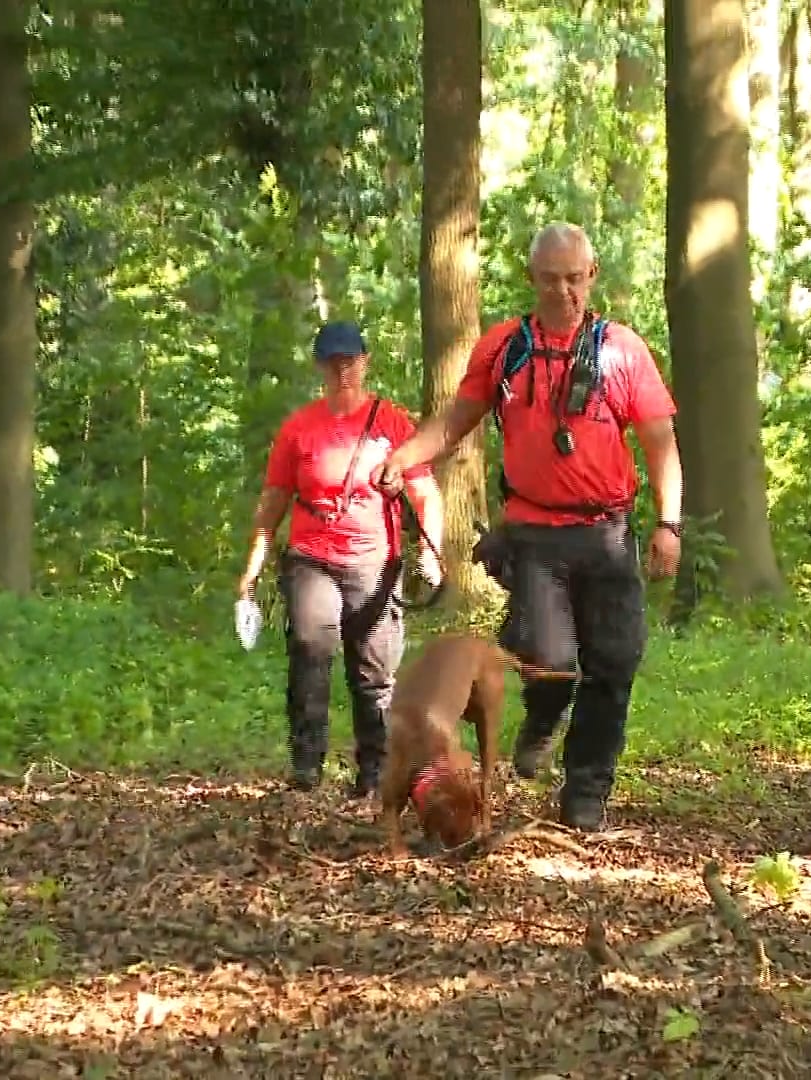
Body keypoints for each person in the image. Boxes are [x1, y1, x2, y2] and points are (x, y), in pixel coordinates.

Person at [375, 222, 683, 831]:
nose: (562, 291)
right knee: (547, 657)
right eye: (549, 280)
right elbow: (457, 418)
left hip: (607, 533)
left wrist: (669, 523)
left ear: (592, 276)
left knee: (615, 662)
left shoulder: (623, 350)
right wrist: (406, 457)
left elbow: (660, 442)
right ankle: (541, 719)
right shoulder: (503, 348)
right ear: (530, 279)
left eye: (573, 279)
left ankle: (586, 793)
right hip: (533, 535)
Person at [237, 320, 445, 797]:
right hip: (312, 556)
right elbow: (272, 504)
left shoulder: (392, 423)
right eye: (333, 362)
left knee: (374, 673)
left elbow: (425, 494)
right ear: (320, 367)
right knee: (310, 645)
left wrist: (432, 554)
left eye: (350, 360)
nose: (342, 370)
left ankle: (374, 773)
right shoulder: (299, 429)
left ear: (365, 361)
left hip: (376, 561)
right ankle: (307, 764)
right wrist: (253, 567)